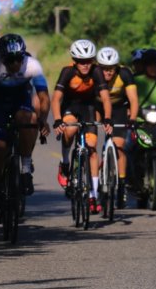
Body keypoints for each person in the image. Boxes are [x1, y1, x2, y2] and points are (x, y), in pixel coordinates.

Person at [0, 34, 50, 208]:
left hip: (19, 100)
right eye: (10, 60)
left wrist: (43, 120)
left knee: (29, 119)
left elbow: (44, 97)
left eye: (18, 59)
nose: (15, 64)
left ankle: (25, 167)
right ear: (2, 58)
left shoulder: (32, 64)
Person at [51, 39, 112, 213]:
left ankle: (92, 194)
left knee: (92, 148)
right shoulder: (67, 72)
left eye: (89, 61)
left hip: (89, 108)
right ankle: (64, 163)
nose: (85, 65)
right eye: (81, 61)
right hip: (70, 106)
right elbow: (56, 98)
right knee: (70, 129)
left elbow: (105, 97)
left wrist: (107, 118)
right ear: (74, 61)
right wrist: (57, 119)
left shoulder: (97, 71)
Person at [93, 46, 139, 206]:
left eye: (111, 69)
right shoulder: (93, 74)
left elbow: (133, 99)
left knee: (119, 146)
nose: (108, 73)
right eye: (104, 69)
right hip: (97, 107)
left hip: (118, 109)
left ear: (117, 67)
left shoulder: (125, 73)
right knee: (92, 141)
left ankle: (121, 183)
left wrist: (132, 119)